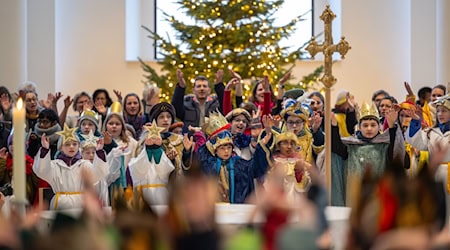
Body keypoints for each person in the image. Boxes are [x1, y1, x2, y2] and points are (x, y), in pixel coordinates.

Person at [330, 101, 406, 205]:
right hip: (355, 196)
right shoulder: (351, 146)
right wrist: (334, 125)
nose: (369, 128)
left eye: (373, 125)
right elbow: (336, 148)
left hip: (378, 195)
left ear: (379, 127)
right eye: (365, 125)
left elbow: (395, 153)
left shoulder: (384, 146)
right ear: (359, 127)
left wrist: (392, 126)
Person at [32, 124, 108, 210]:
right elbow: (41, 170)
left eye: (74, 144)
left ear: (78, 146)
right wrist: (45, 150)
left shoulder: (85, 165)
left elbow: (99, 173)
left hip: (81, 203)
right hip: (61, 204)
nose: (71, 147)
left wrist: (99, 152)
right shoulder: (55, 165)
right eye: (67, 144)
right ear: (60, 148)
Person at [128, 121, 176, 205]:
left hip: (160, 198)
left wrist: (156, 150)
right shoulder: (135, 162)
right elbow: (139, 171)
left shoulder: (163, 159)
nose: (151, 143)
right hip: (141, 198)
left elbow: (165, 171)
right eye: (146, 143)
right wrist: (148, 151)